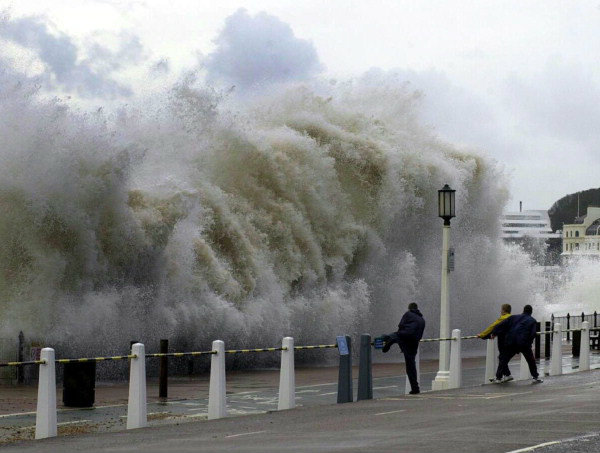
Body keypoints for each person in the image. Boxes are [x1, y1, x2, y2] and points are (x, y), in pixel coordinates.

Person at [491, 304, 543, 384]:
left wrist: (494, 332)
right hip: (523, 343)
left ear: (523, 310)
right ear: (531, 312)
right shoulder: (532, 320)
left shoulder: (513, 317)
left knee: (503, 359)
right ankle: (535, 377)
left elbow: (502, 325)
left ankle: (498, 378)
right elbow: (532, 334)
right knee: (530, 360)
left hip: (511, 342)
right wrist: (529, 343)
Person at [382, 302, 426, 394]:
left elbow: (401, 325)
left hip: (405, 337)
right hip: (414, 343)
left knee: (391, 336)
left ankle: (386, 343)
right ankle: (415, 388)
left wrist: (398, 334)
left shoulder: (408, 314)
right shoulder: (422, 319)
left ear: (409, 308)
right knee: (411, 366)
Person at [478, 304, 513, 383]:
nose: (500, 311)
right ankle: (507, 375)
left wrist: (482, 334)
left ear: (504, 311)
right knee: (502, 358)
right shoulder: (512, 318)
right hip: (511, 341)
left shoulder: (503, 318)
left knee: (502, 358)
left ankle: (499, 377)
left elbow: (492, 327)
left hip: (503, 342)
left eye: (501, 309)